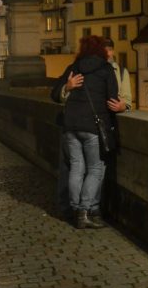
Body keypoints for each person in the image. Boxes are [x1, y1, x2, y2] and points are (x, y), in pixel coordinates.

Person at [52, 38, 131, 226]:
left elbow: (54, 94)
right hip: (93, 127)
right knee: (96, 169)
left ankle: (75, 207)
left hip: (71, 126)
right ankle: (83, 210)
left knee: (77, 168)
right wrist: (122, 106)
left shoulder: (74, 67)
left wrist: (67, 87)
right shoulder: (106, 70)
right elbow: (112, 101)